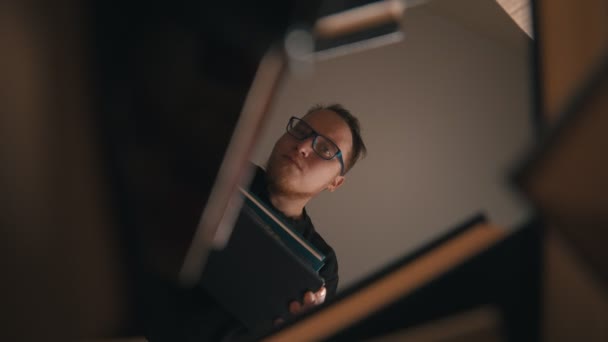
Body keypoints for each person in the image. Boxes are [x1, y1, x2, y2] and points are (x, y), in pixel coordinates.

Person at [146, 104, 366, 341]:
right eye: (301, 131)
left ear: (334, 182)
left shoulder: (324, 266)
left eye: (325, 149)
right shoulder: (222, 169)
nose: (302, 147)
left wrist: (301, 332)